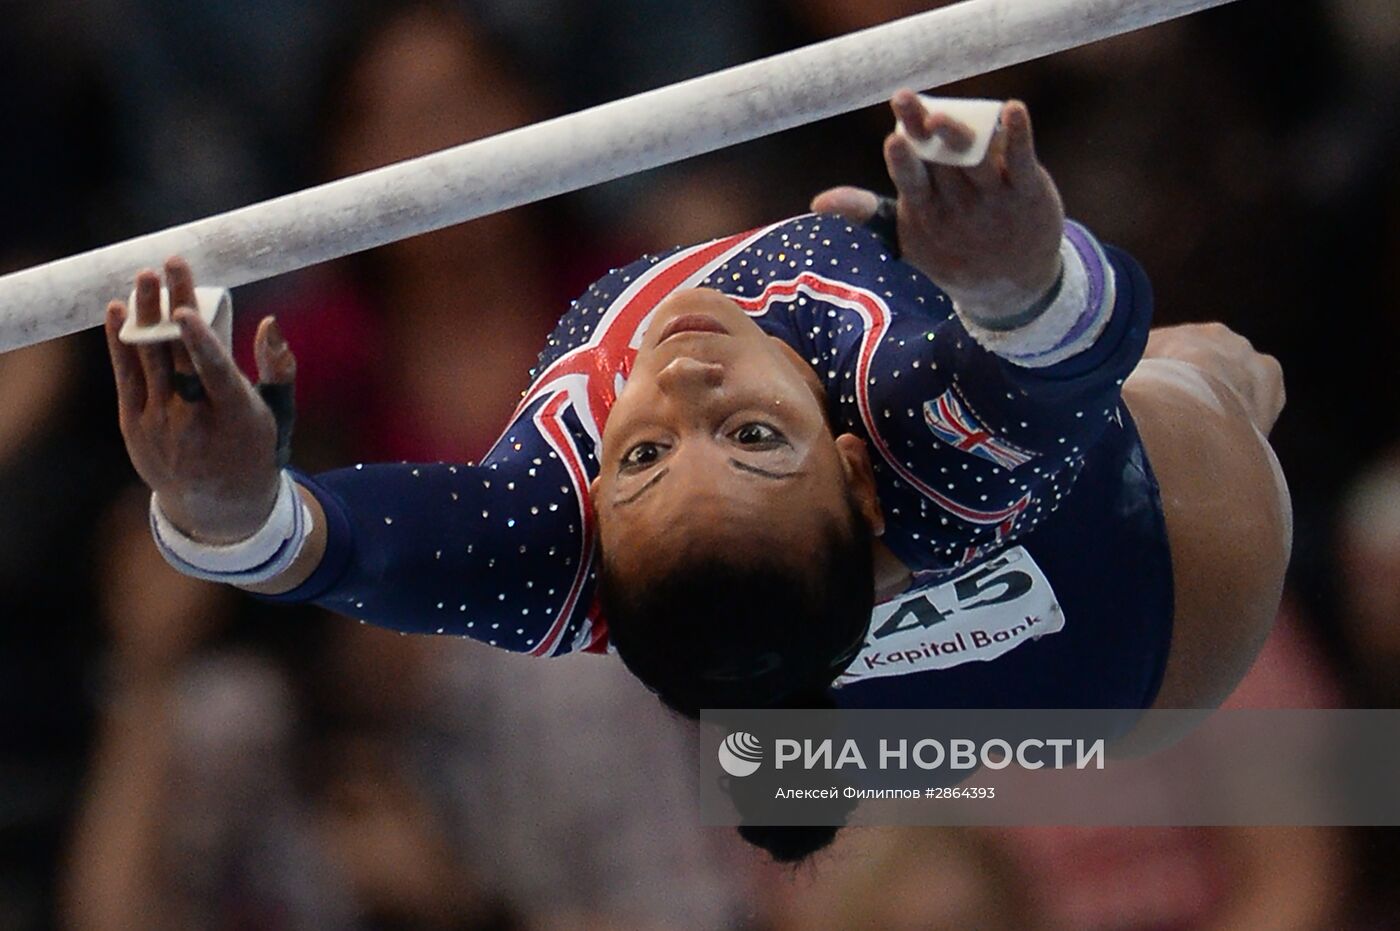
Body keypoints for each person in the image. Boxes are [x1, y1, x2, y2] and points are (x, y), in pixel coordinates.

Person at [103, 92, 1291, 861]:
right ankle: (1225, 387)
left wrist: (217, 502)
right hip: (1170, 590)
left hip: (846, 682)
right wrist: (1017, 279)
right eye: (756, 440)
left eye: (643, 457)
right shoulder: (928, 449)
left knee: (772, 656)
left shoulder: (543, 548)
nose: (682, 391)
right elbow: (1073, 351)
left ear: (592, 555)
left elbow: (323, 549)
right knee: (1206, 365)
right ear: (853, 473)